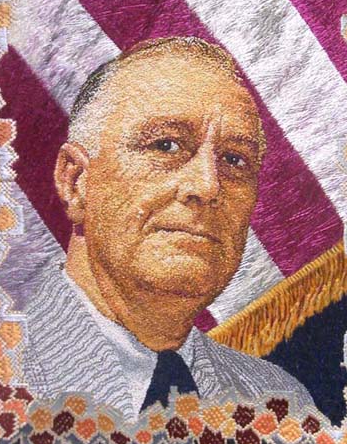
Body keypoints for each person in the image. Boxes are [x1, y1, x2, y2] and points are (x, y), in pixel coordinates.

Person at [21, 37, 314, 422]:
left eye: (234, 159)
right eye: (165, 145)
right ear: (77, 182)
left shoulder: (280, 402)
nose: (208, 185)